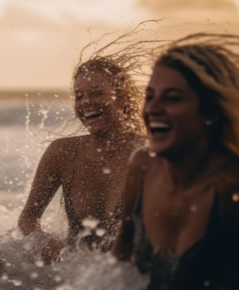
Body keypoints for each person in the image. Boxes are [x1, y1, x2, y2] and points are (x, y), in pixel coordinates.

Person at [112, 33, 239, 290]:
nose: (152, 109)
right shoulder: (142, 166)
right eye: (149, 96)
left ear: (211, 112)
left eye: (173, 98)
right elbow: (123, 247)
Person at [18, 40, 147, 263]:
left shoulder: (149, 153)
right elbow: (28, 217)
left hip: (130, 281)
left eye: (96, 93)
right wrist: (43, 241)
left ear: (123, 97)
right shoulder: (63, 153)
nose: (86, 102)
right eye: (79, 96)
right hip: (75, 281)